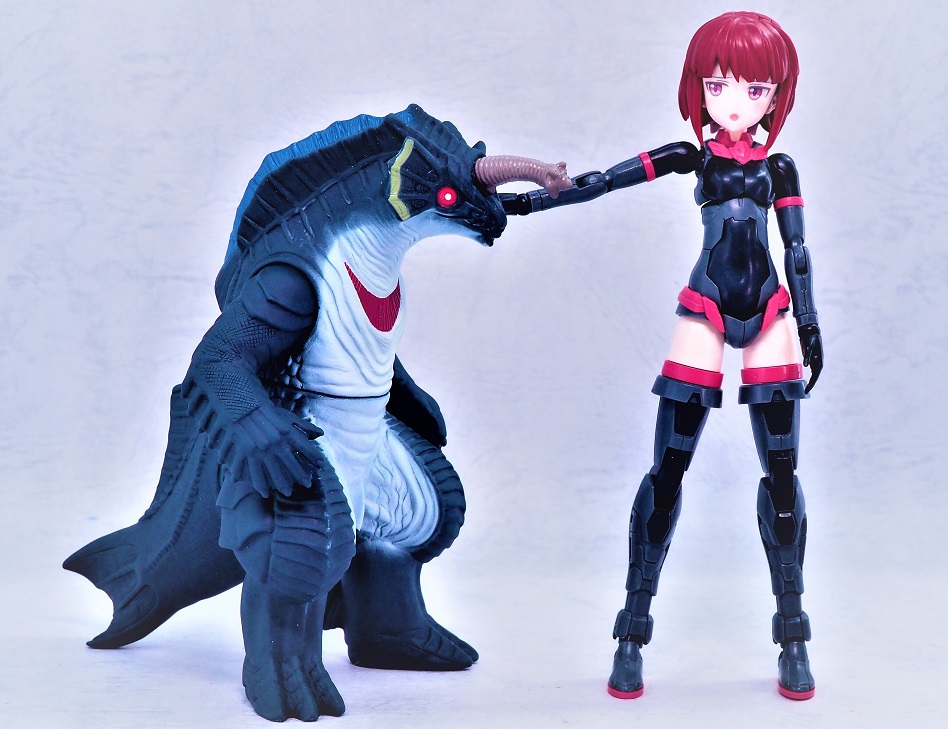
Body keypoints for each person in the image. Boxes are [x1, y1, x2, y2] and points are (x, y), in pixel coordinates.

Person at [501, 10, 822, 701]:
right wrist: (528, 204)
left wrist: (810, 322)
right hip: (705, 307)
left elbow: (796, 250)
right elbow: (603, 181)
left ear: (776, 95)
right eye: (719, 84)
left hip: (770, 312)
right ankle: (631, 633)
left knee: (783, 475)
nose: (734, 102)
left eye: (754, 89)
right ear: (698, 85)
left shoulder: (779, 167)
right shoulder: (690, 157)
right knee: (668, 470)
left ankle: (793, 634)